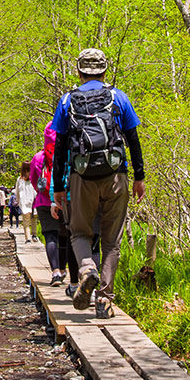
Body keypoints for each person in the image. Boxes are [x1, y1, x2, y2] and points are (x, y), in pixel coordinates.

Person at [52, 47, 145, 319]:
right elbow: (133, 139)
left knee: (80, 232)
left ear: (79, 71)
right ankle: (104, 299)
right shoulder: (118, 97)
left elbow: (59, 147)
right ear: (105, 70)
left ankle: (86, 270)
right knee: (111, 240)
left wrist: (58, 186)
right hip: (116, 175)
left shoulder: (67, 100)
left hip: (80, 177)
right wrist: (139, 177)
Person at [30, 125, 67, 285]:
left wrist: (43, 194)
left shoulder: (38, 157)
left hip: (43, 202)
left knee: (50, 236)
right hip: (65, 200)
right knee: (65, 236)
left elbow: (33, 179)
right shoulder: (67, 153)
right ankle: (65, 268)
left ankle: (55, 271)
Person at [14, 161, 38, 244]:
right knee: (34, 219)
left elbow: (17, 191)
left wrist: (18, 201)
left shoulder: (19, 179)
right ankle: (34, 234)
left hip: (24, 203)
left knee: (26, 222)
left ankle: (28, 238)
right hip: (34, 202)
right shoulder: (34, 177)